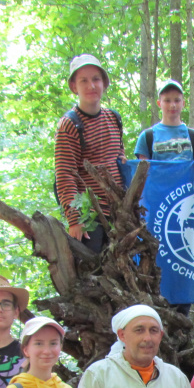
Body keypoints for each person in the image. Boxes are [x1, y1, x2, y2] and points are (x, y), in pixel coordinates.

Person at [54, 54, 125, 253]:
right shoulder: (69, 125)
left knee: (120, 273)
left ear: (104, 83)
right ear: (74, 87)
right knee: (92, 275)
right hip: (89, 218)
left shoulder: (113, 118)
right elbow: (65, 174)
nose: (91, 86)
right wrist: (75, 220)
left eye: (96, 79)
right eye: (83, 80)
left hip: (118, 214)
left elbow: (117, 154)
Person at [134, 80, 194, 162]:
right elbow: (142, 172)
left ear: (183, 103)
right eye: (167, 100)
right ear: (159, 103)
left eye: (177, 100)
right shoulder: (147, 137)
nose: (173, 105)